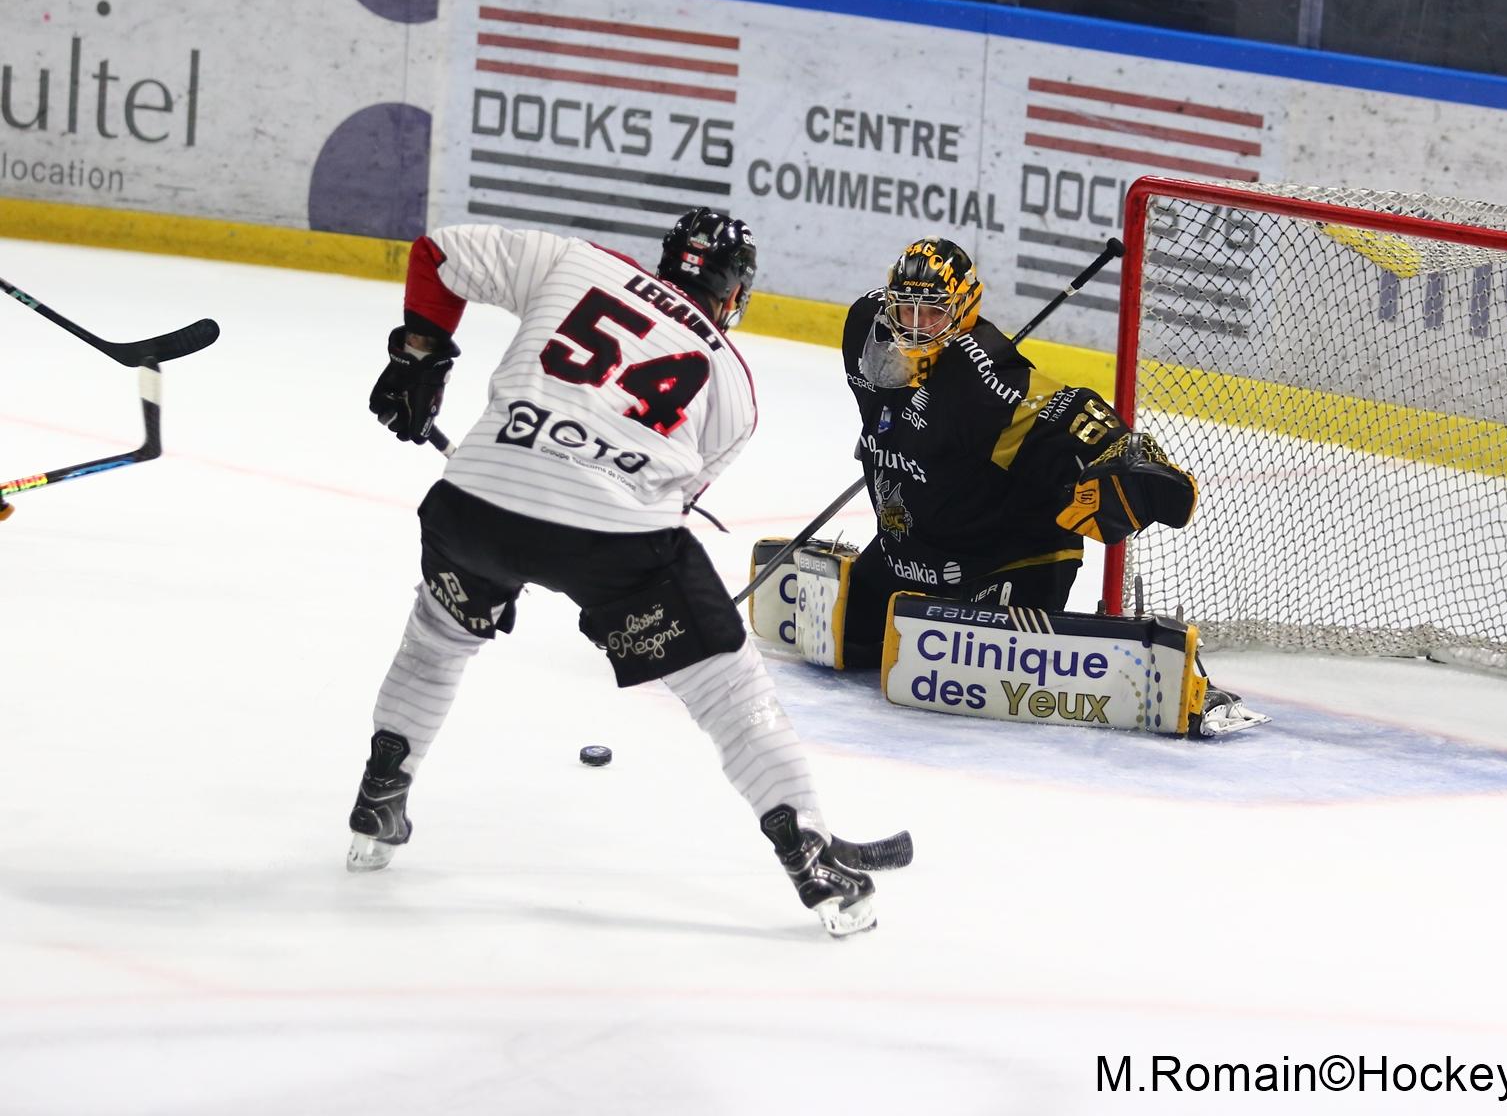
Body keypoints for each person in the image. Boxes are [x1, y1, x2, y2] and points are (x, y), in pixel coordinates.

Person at [348, 209, 888, 936]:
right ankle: (810, 852)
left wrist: (420, 357)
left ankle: (381, 794)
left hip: (473, 502)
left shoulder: (573, 261)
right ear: (735, 294)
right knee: (728, 686)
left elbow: (436, 252)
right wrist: (615, 609)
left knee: (437, 639)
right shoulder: (733, 385)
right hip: (609, 539)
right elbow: (668, 506)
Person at [838, 236, 1258, 726]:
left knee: (976, 680)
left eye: (931, 312)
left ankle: (1145, 673)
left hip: (1006, 559)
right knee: (849, 640)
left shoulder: (981, 377)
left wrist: (1124, 453)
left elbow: (1066, 408)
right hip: (916, 550)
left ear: (965, 307)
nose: (913, 325)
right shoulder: (863, 327)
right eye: (904, 310)